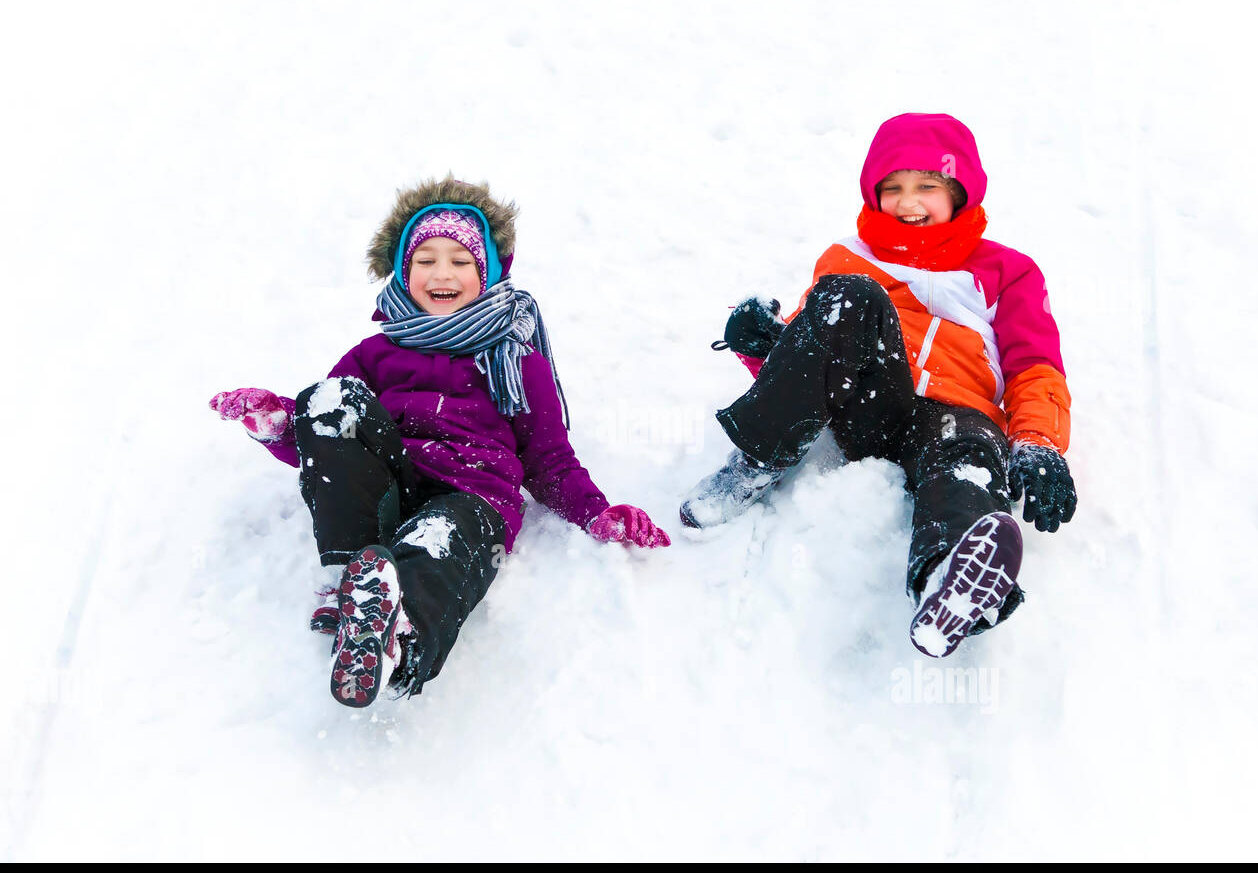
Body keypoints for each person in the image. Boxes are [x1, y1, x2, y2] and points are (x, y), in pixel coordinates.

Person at [212, 176, 669, 707]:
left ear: (488, 271)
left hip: (472, 496)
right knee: (331, 397)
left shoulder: (517, 361)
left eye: (460, 260)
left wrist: (597, 513)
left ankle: (399, 638)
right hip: (391, 478)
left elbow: (548, 461)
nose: (442, 273)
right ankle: (356, 574)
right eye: (425, 259)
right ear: (404, 272)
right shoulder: (374, 354)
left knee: (439, 546)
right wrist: (279, 423)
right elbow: (327, 438)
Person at [680, 113, 1076, 659]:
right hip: (870, 401)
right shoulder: (848, 258)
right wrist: (761, 343)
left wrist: (1037, 441)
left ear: (959, 192)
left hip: (955, 416)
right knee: (849, 296)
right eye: (893, 188)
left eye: (927, 186)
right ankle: (754, 462)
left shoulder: (1008, 272)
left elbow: (1035, 366)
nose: (909, 201)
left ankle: (950, 576)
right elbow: (813, 354)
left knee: (968, 460)